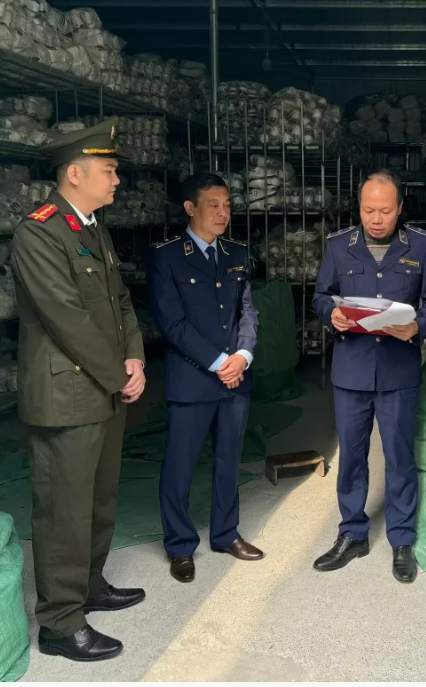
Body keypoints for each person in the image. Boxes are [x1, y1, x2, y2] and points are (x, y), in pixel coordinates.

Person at [10, 117, 147, 663]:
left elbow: (120, 302)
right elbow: (67, 319)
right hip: (67, 396)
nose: (116, 180)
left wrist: (134, 356)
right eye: (108, 171)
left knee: (99, 498)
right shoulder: (39, 233)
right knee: (64, 510)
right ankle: (61, 623)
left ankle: (89, 585)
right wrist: (120, 375)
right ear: (74, 173)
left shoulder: (92, 230)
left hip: (103, 389)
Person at [312, 169, 426, 583]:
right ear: (359, 207)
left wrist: (418, 326)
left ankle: (402, 540)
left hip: (397, 371)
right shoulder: (339, 245)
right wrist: (331, 314)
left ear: (400, 208)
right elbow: (321, 295)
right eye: (369, 210)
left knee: (400, 457)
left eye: (385, 211)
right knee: (352, 457)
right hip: (351, 370)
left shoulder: (419, 245)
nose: (376, 219)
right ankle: (352, 533)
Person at [148, 172, 263, 585]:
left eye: (227, 205)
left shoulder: (236, 253)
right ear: (190, 208)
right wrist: (219, 362)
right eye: (213, 205)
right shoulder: (167, 256)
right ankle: (180, 545)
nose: (222, 212)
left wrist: (243, 355)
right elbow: (172, 323)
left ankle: (226, 533)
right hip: (193, 378)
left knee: (229, 459)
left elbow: (247, 311)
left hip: (235, 377)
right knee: (180, 464)